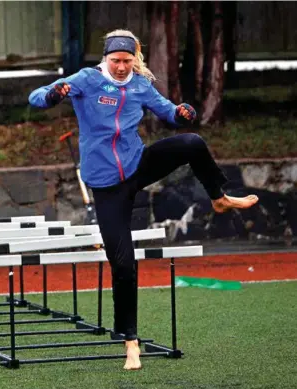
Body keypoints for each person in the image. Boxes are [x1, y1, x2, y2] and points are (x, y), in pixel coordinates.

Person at [29, 29, 258, 370]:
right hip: (107, 185)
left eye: (127, 61)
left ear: (135, 60)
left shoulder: (139, 84)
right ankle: (130, 342)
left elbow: (168, 112)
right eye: (116, 61)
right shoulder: (88, 80)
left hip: (138, 164)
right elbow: (36, 97)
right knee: (123, 263)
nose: (122, 67)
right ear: (106, 59)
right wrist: (52, 94)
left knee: (191, 142)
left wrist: (182, 113)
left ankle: (219, 197)